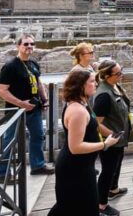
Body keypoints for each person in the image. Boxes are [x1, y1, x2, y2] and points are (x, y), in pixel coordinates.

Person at [48, 70, 120, 216]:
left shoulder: (82, 104)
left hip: (82, 166)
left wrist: (109, 134)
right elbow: (76, 147)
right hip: (74, 169)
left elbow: (93, 126)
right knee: (78, 207)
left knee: (70, 206)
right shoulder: (78, 111)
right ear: (81, 86)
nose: (96, 84)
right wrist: (105, 144)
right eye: (92, 81)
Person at [0, 34, 54, 183]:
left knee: (37, 136)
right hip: (15, 111)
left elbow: (38, 81)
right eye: (26, 44)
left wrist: (44, 99)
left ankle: (37, 166)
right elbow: (1, 91)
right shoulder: (10, 66)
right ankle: (3, 175)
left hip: (34, 109)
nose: (29, 47)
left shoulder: (33, 63)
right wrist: (21, 103)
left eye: (32, 44)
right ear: (18, 46)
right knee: (9, 141)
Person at [92, 61, 131, 215]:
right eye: (117, 73)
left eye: (121, 71)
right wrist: (111, 135)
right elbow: (95, 124)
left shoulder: (114, 86)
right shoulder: (103, 95)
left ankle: (113, 189)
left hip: (119, 138)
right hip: (111, 141)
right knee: (108, 171)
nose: (121, 75)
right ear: (107, 76)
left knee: (116, 166)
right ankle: (101, 205)